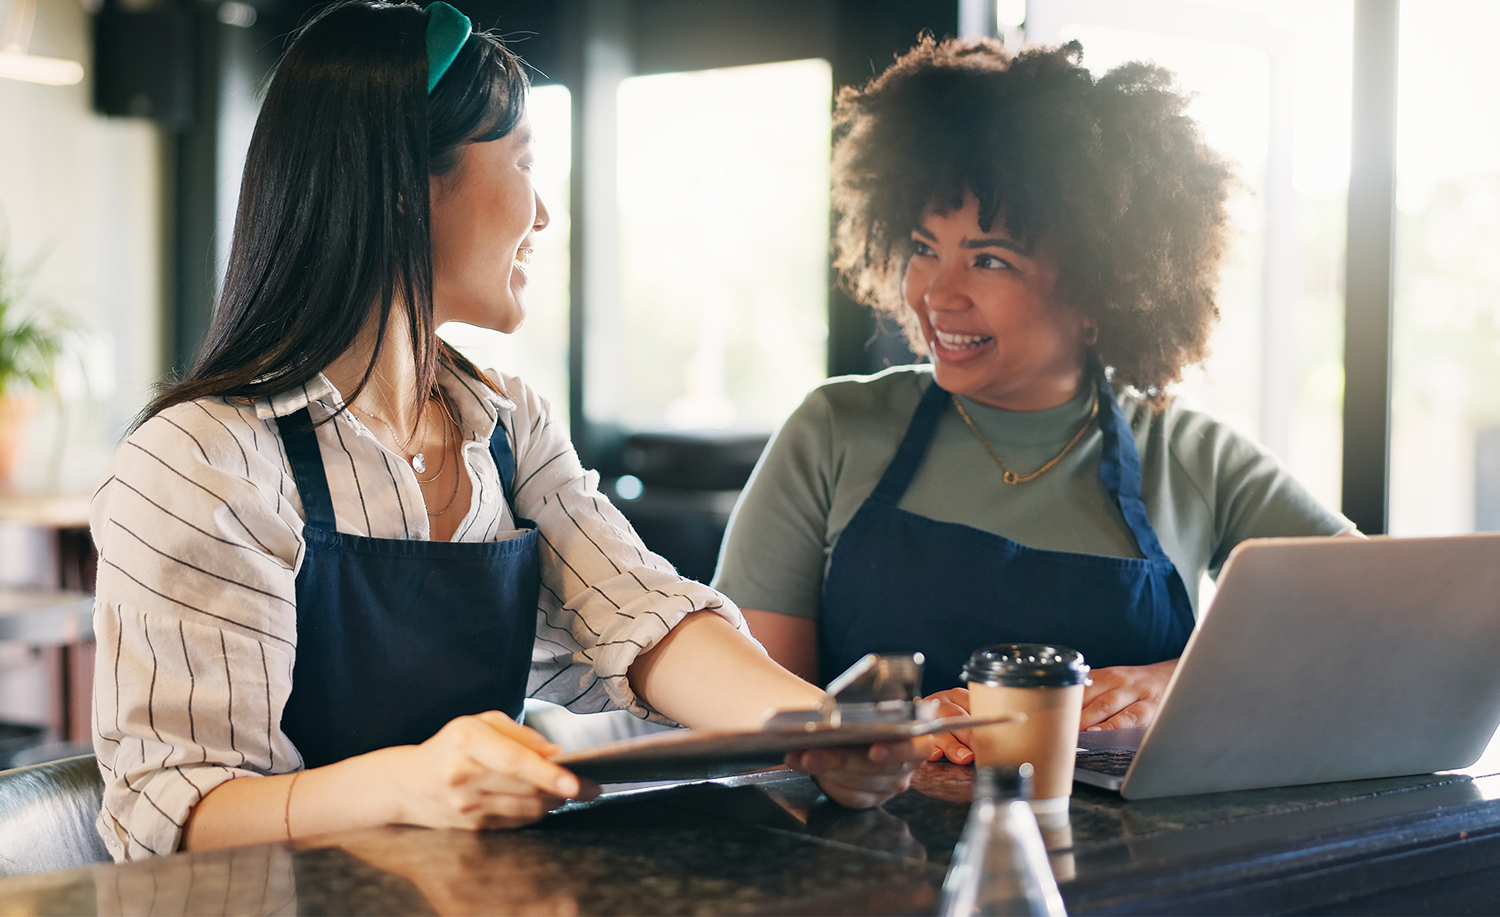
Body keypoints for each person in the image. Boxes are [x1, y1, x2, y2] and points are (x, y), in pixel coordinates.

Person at [89, 0, 926, 863]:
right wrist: (408, 783)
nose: (546, 216)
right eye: (525, 161)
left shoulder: (510, 425)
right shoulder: (199, 462)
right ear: (408, 186)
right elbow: (175, 816)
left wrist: (818, 730)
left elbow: (640, 614)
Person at [713, 37, 1355, 761]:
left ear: (1100, 290)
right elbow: (749, 718)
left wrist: (1183, 681)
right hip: (866, 859)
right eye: (925, 247)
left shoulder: (1196, 457)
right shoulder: (831, 432)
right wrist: (885, 739)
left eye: (990, 260)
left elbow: (1376, 622)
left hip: (1136, 869)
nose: (935, 293)